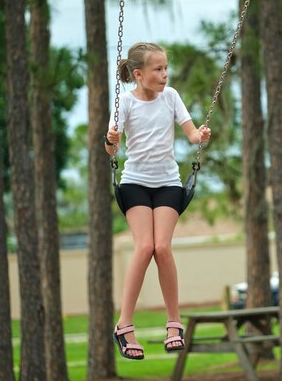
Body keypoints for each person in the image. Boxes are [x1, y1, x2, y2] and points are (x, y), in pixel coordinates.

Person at [105, 42, 211, 360]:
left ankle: (173, 323)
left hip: (167, 183)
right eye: (158, 69)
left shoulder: (171, 97)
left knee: (162, 247)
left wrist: (200, 135)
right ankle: (124, 325)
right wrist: (110, 142)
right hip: (135, 182)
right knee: (144, 246)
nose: (165, 75)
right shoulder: (124, 102)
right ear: (139, 74)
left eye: (166, 68)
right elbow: (111, 149)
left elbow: (191, 134)